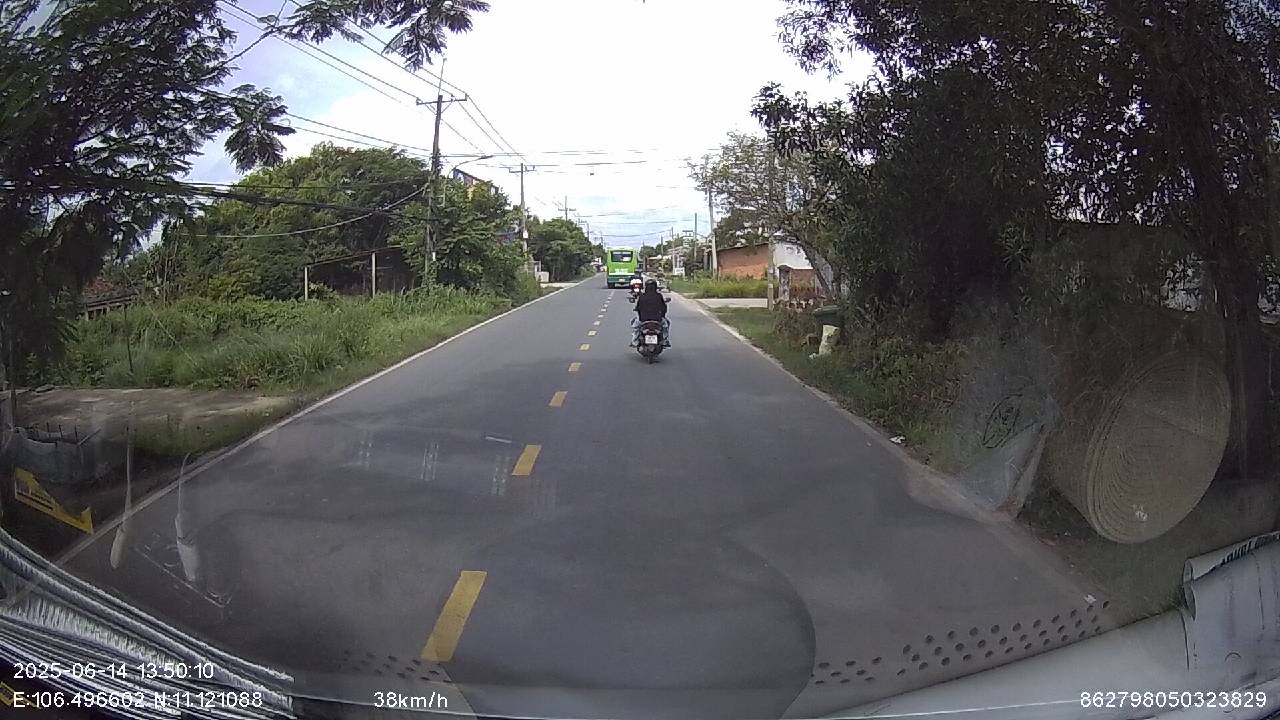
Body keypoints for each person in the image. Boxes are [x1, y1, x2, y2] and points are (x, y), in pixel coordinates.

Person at [631, 279, 671, 347]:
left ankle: (635, 341)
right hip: (657, 319)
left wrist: (640, 314)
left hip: (643, 319)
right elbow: (664, 308)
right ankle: (665, 340)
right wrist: (662, 316)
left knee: (635, 326)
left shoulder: (642, 296)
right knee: (666, 325)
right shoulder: (659, 296)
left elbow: (638, 307)